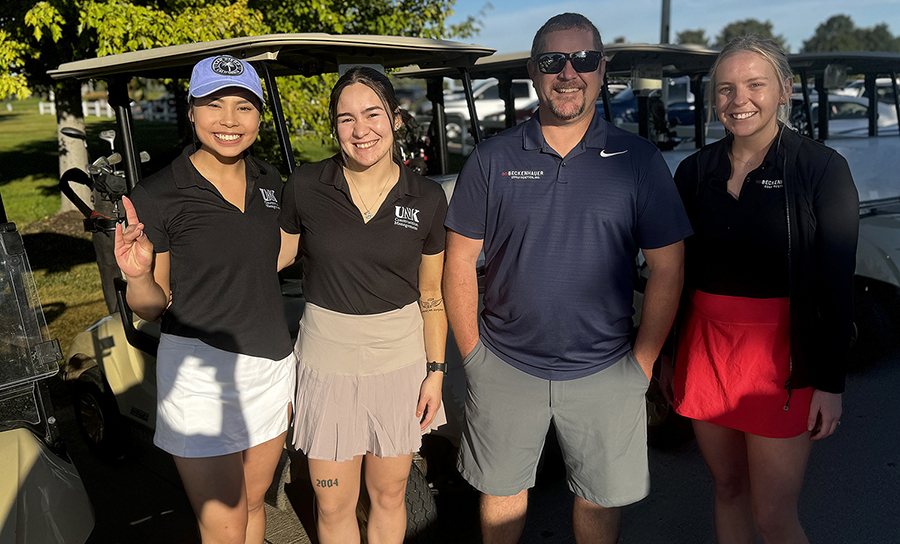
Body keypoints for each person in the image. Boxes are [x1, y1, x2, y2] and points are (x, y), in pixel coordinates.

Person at [443, 13, 692, 544]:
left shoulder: (639, 161)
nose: (568, 73)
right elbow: (459, 261)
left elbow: (668, 268)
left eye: (583, 60)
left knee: (598, 501)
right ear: (534, 71)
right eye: (553, 61)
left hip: (607, 370)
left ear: (603, 69)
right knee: (502, 496)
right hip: (506, 366)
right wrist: (473, 358)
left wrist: (642, 365)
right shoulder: (492, 159)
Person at [668, 35, 858, 543]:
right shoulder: (694, 172)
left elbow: (838, 284)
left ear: (784, 91)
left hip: (783, 361)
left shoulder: (821, 168)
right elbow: (675, 273)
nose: (740, 100)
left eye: (755, 85)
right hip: (706, 351)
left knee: (773, 513)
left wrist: (832, 384)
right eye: (726, 89)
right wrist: (666, 355)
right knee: (728, 488)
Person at [114, 55, 294, 544]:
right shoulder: (157, 195)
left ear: (259, 116)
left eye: (243, 106)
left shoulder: (270, 182)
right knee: (225, 523)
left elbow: (275, 257)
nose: (230, 120)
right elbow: (153, 304)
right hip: (201, 374)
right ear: (191, 111)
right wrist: (137, 276)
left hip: (273, 366)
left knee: (255, 504)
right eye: (214, 104)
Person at [277, 66, 447, 544]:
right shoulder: (306, 186)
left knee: (389, 496)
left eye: (373, 114)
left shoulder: (428, 196)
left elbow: (431, 295)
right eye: (346, 118)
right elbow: (274, 257)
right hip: (326, 363)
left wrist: (436, 370)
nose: (360, 130)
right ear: (334, 126)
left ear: (394, 119)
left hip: (400, 364)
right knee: (332, 503)